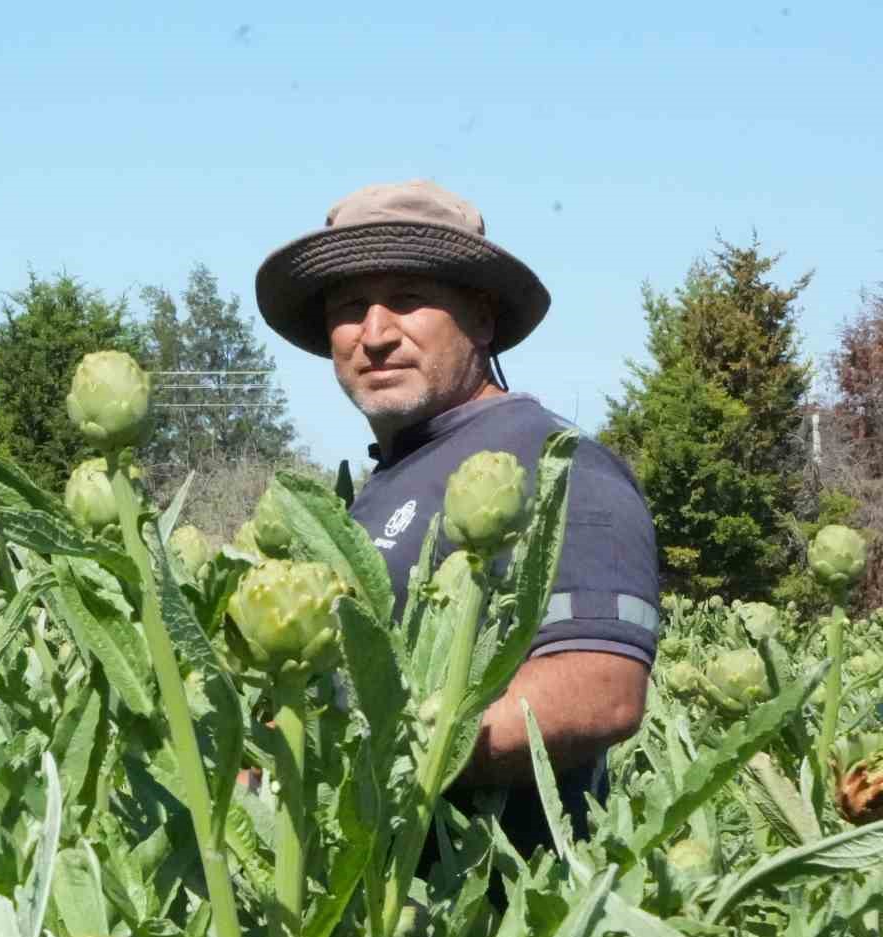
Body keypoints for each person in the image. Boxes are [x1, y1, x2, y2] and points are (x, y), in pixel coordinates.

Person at [253, 179, 660, 859]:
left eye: (409, 300)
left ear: (481, 317)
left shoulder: (553, 465)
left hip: (487, 928)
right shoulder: (372, 490)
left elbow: (601, 687)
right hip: (376, 924)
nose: (376, 334)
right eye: (350, 308)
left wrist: (392, 759)